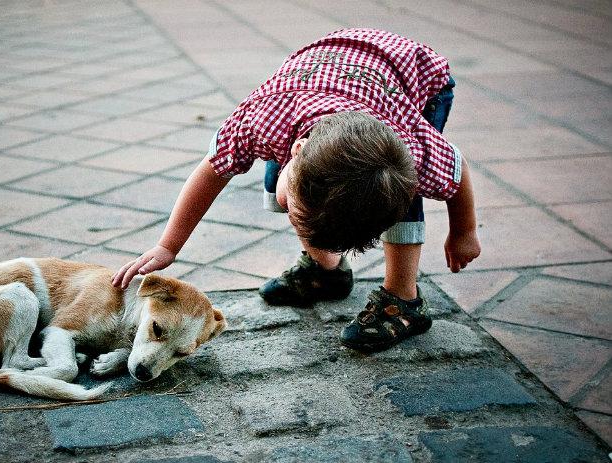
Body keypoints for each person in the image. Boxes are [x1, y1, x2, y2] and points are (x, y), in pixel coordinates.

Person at [112, 28, 481, 353]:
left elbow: (456, 165)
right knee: (278, 185)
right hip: (330, 72)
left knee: (396, 194)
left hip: (420, 82)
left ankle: (404, 299)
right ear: (296, 150)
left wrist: (463, 232)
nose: (296, 224)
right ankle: (326, 273)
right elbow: (212, 170)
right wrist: (168, 245)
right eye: (297, 217)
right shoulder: (259, 120)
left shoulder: (411, 148)